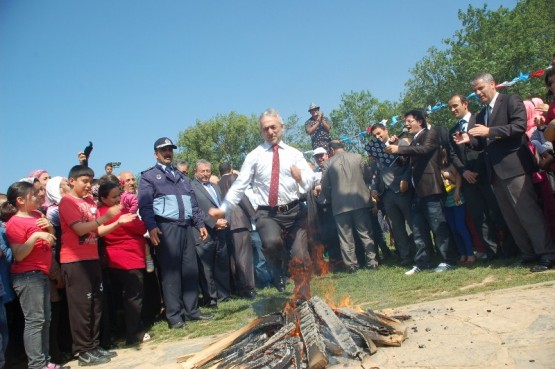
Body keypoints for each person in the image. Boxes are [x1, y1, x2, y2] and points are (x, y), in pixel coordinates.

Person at [209, 108, 314, 301]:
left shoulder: (294, 154)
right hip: (268, 214)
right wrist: (223, 209)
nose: (270, 132)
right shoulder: (254, 156)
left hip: (294, 211)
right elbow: (239, 186)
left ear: (282, 128)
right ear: (261, 132)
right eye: (266, 129)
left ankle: (303, 298)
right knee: (272, 243)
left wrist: (301, 179)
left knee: (301, 256)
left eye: (273, 127)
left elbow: (309, 180)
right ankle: (276, 268)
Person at [454, 72, 555, 272]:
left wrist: (490, 131)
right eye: (475, 91)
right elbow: (482, 143)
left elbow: (518, 127)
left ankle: (547, 254)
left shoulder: (511, 100)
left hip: (515, 167)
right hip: (495, 173)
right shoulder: (483, 114)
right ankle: (527, 254)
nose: (478, 93)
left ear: (493, 84)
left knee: (528, 213)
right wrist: (469, 140)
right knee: (511, 217)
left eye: (481, 88)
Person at [138, 137, 211, 330]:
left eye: (170, 149)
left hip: (186, 227)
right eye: (163, 150)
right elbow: (144, 205)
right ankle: (174, 316)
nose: (167, 153)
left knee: (190, 269)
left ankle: (192, 311)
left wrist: (200, 223)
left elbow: (193, 204)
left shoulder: (182, 177)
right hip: (166, 227)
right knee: (171, 273)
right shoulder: (149, 177)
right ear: (156, 153)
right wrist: (151, 226)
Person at [1, 181, 69, 369]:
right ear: (20, 200)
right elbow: (19, 254)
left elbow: (52, 239)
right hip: (27, 276)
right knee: (35, 321)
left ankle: (45, 361)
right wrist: (36, 237)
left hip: (41, 273)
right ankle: (37, 364)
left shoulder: (38, 215)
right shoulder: (14, 222)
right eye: (33, 194)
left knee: (45, 319)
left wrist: (49, 227)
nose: (39, 196)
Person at [58, 165, 120, 366]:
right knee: (82, 307)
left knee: (96, 305)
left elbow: (97, 231)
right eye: (84, 181)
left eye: (90, 182)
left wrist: (117, 222)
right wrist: (106, 216)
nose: (88, 185)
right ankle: (83, 351)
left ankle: (93, 346)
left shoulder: (89, 202)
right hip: (75, 261)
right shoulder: (67, 202)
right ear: (72, 182)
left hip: (92, 258)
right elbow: (79, 229)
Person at [386, 109, 458, 275]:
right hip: (417, 191)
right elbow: (406, 161)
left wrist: (400, 149)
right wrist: (392, 149)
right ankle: (422, 262)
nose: (406, 125)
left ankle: (448, 259)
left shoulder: (430, 133)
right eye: (405, 122)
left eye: (409, 121)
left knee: (438, 226)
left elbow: (424, 150)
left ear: (420, 121)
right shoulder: (413, 141)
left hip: (431, 187)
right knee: (418, 229)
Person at [447, 94, 515, 259]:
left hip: (486, 174)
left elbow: (486, 146)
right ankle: (492, 252)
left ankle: (511, 250)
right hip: (468, 180)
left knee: (498, 213)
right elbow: (453, 155)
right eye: (450, 107)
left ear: (465, 103)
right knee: (479, 217)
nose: (453, 110)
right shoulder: (452, 131)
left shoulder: (480, 119)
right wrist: (464, 172)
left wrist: (477, 170)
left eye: (455, 105)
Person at [96, 180, 152, 345]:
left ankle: (123, 331)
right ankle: (135, 333)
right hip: (129, 259)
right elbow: (141, 227)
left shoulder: (99, 213)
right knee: (134, 297)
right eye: (113, 197)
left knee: (121, 298)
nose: (118, 199)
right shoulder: (119, 213)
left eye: (119, 195)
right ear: (103, 198)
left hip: (114, 260)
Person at [320, 140, 378, 272]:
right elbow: (367, 176)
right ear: (343, 147)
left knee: (346, 237)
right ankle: (372, 261)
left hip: (340, 204)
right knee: (365, 233)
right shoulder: (357, 157)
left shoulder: (327, 163)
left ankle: (351, 265)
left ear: (331, 150)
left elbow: (324, 186)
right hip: (359, 200)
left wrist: (332, 198)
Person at [369, 124, 415, 266]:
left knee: (413, 224)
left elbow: (410, 164)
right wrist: (374, 188)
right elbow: (377, 174)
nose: (377, 137)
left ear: (386, 131)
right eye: (375, 135)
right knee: (396, 227)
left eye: (379, 133)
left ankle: (423, 252)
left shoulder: (399, 143)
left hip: (402, 189)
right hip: (386, 193)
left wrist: (406, 179)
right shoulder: (376, 150)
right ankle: (405, 255)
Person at [191, 160, 231, 307]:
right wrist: (213, 223)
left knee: (221, 262)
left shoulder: (216, 186)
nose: (206, 174)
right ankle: (211, 299)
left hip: (221, 230)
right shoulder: (191, 187)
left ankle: (224, 295)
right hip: (204, 232)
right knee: (206, 268)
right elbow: (195, 210)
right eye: (203, 171)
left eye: (208, 171)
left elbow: (223, 206)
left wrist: (225, 220)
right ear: (195, 171)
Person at [218, 162, 257, 299]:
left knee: (233, 257)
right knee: (244, 255)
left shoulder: (217, 183)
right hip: (239, 221)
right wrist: (254, 215)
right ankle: (248, 287)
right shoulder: (233, 178)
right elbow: (241, 198)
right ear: (231, 169)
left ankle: (237, 287)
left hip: (227, 223)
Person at [119, 171, 155, 273]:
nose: (131, 182)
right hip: (135, 240)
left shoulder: (142, 194)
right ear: (121, 183)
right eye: (127, 180)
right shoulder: (120, 198)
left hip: (150, 235)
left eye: (133, 179)